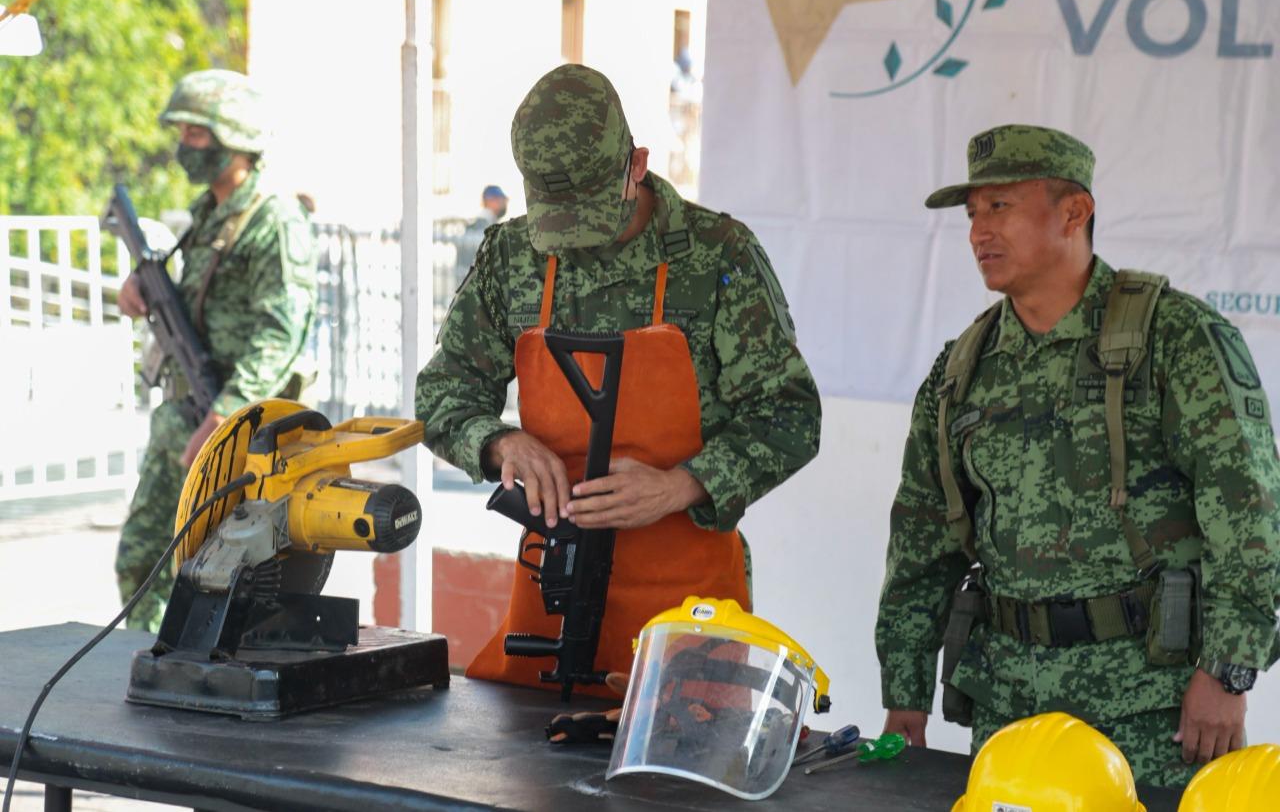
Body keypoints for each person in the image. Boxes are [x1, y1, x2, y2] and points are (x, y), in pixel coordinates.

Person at [875, 124, 1280, 787]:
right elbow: (922, 538)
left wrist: (1229, 671)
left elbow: (1251, 512)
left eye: (1000, 207)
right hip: (1010, 706)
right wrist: (905, 693)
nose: (980, 231)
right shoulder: (961, 369)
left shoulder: (1176, 338)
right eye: (973, 213)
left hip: (1151, 707)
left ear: (1074, 211)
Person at [416, 64, 821, 696]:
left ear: (637, 165)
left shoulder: (719, 256)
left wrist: (682, 486)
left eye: (590, 215)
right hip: (551, 587)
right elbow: (443, 394)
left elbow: (790, 416)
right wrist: (501, 444)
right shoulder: (510, 256)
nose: (573, 242)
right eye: (560, 220)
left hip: (685, 601)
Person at [115, 69, 318, 631]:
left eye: (198, 135)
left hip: (239, 431)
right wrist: (144, 289)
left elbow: (282, 331)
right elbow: (200, 304)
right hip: (185, 416)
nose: (185, 147)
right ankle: (147, 663)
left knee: (226, 584)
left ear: (235, 140)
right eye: (182, 133)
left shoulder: (274, 220)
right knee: (140, 564)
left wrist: (226, 412)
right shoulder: (210, 211)